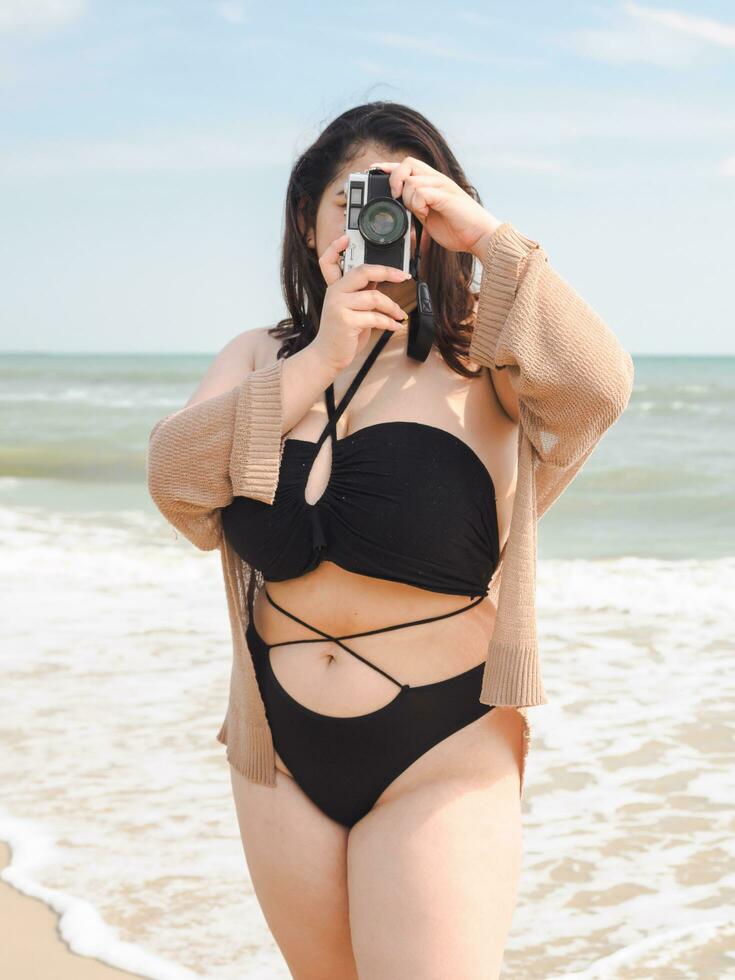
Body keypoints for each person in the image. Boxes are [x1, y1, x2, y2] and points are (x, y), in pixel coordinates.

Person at [147, 101, 635, 979]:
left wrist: (484, 237)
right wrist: (319, 358)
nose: (380, 220)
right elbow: (176, 480)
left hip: (441, 741)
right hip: (280, 747)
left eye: (408, 201)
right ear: (307, 222)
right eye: (355, 199)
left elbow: (599, 383)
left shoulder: (484, 358)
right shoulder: (262, 356)